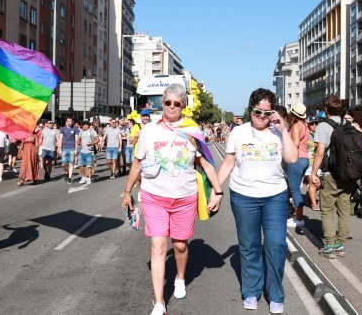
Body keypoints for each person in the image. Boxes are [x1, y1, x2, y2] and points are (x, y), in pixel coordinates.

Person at [121, 84, 222, 315]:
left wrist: (218, 191)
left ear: (183, 106)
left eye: (177, 103)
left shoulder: (192, 130)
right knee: (158, 247)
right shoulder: (148, 131)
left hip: (185, 197)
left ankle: (180, 277)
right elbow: (137, 163)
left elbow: (205, 162)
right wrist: (127, 192)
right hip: (154, 196)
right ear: (162, 104)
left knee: (179, 245)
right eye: (168, 102)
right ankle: (159, 303)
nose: (172, 107)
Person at [215, 88, 297, 313]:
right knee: (249, 245)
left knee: (276, 244)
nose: (262, 116)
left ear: (273, 112)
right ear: (250, 110)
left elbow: (291, 158)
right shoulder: (238, 133)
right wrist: (216, 190)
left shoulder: (279, 132)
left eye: (267, 112)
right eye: (257, 111)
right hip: (243, 197)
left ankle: (275, 293)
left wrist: (283, 128)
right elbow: (228, 163)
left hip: (275, 197)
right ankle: (251, 291)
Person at [309, 95, 354, 259]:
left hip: (331, 173)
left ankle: (330, 245)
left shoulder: (323, 126)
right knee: (343, 209)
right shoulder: (347, 124)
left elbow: (320, 152)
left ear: (326, 109)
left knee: (327, 209)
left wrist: (313, 173)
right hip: (348, 173)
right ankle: (341, 244)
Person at [286, 102, 309, 235]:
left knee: (294, 190)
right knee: (295, 189)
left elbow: (294, 144)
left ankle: (299, 220)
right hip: (304, 158)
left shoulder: (295, 126)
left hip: (296, 158)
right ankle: (297, 216)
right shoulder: (304, 125)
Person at [303, 116, 320, 211]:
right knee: (313, 183)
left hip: (318, 163)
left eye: (316, 123)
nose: (314, 125)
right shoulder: (305, 134)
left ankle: (309, 194)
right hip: (308, 163)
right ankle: (314, 204)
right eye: (312, 123)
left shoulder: (319, 134)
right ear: (308, 124)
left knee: (319, 184)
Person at [57, 117, 79, 184]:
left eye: (71, 121)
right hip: (64, 148)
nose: (70, 122)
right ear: (66, 122)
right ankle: (67, 172)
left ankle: (69, 178)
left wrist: (76, 149)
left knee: (71, 163)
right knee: (63, 164)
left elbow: (76, 139)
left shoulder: (75, 129)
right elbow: (60, 139)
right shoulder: (62, 129)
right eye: (69, 121)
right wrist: (59, 148)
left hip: (72, 148)